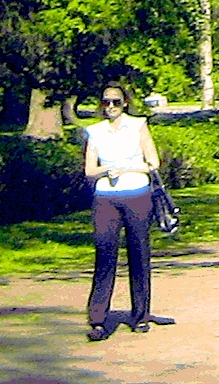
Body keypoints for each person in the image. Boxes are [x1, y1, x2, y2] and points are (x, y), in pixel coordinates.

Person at [82, 83, 171, 340]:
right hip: (106, 198)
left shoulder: (137, 125)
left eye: (116, 102)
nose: (110, 107)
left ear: (125, 103)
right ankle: (98, 318)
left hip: (137, 195)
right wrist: (106, 170)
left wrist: (128, 168)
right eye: (106, 102)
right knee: (105, 254)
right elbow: (89, 170)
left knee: (139, 253)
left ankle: (140, 315)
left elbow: (153, 162)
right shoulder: (95, 131)